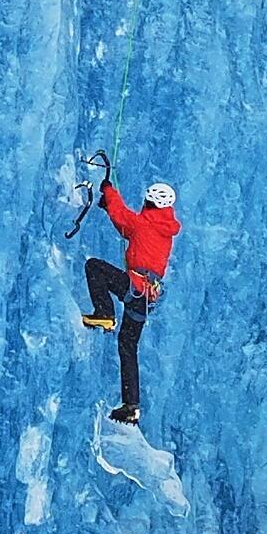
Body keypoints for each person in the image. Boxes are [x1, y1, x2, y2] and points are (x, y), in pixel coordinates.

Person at [78, 153, 179, 425]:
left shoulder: (146, 223)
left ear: (150, 202)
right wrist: (107, 206)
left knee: (94, 267)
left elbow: (125, 219)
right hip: (146, 298)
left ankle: (104, 313)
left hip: (135, 287)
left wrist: (108, 191)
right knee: (127, 346)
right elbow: (128, 228)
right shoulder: (163, 229)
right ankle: (131, 406)